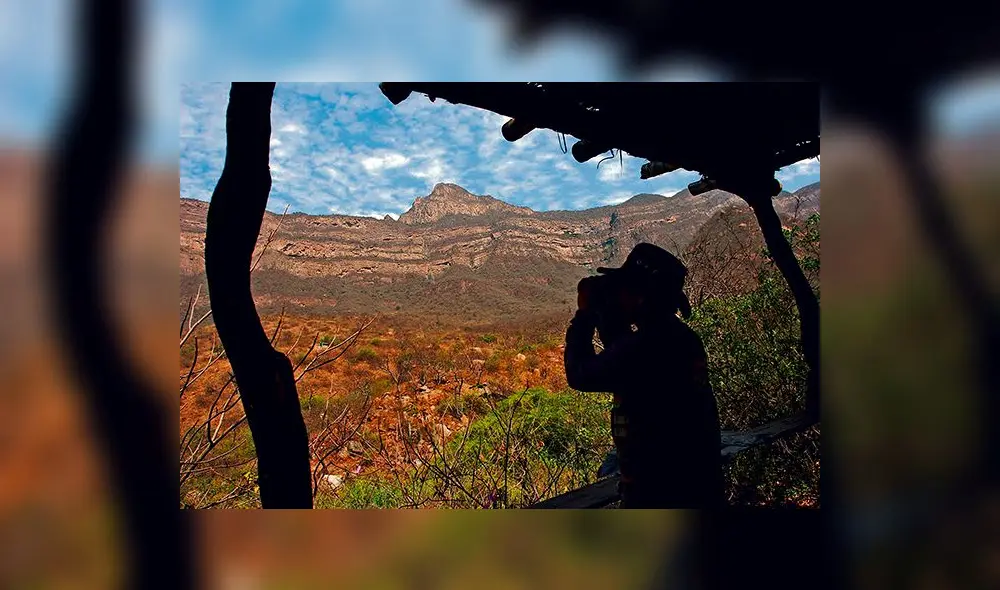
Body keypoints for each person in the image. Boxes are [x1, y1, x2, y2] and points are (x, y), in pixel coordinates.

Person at [564, 243, 724, 508]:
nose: (617, 295)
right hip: (697, 486)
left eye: (623, 289)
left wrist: (584, 316)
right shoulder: (680, 338)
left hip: (660, 495)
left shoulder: (645, 347)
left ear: (640, 297)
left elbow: (580, 374)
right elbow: (626, 362)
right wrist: (609, 316)